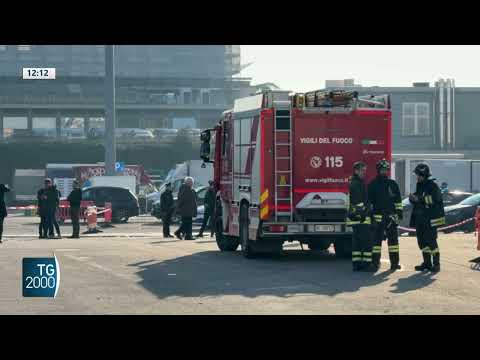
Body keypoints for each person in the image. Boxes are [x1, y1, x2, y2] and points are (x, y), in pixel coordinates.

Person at [368, 159, 403, 271]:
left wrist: (399, 213)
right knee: (376, 243)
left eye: (386, 170)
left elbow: (398, 201)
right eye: (382, 170)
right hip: (377, 219)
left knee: (393, 243)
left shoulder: (393, 184)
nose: (384, 172)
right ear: (378, 170)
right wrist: (371, 216)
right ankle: (375, 263)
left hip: (391, 218)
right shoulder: (372, 185)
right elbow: (369, 202)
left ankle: (394, 264)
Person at [409, 163, 445, 273]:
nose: (417, 177)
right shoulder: (420, 185)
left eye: (418, 175)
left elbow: (435, 199)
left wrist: (419, 199)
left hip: (430, 220)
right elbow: (419, 197)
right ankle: (427, 263)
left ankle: (436, 264)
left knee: (431, 242)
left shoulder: (433, 186)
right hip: (420, 219)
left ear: (424, 175)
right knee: (422, 242)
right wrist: (412, 198)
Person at [347, 161, 376, 272]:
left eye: (365, 170)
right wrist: (366, 212)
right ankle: (366, 264)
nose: (364, 172)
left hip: (355, 218)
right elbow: (359, 202)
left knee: (357, 243)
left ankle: (357, 264)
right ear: (356, 171)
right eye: (362, 170)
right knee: (367, 242)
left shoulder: (354, 182)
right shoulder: (357, 183)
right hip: (361, 218)